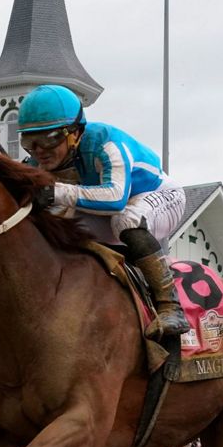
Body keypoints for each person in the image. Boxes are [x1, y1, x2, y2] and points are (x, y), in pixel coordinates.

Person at [19, 84, 188, 338]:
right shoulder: (38, 160)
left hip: (159, 197)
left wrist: (56, 191)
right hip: (111, 209)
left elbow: (116, 198)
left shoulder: (105, 143)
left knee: (126, 219)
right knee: (57, 223)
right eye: (30, 141)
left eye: (49, 139)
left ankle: (170, 306)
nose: (39, 150)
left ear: (75, 133)